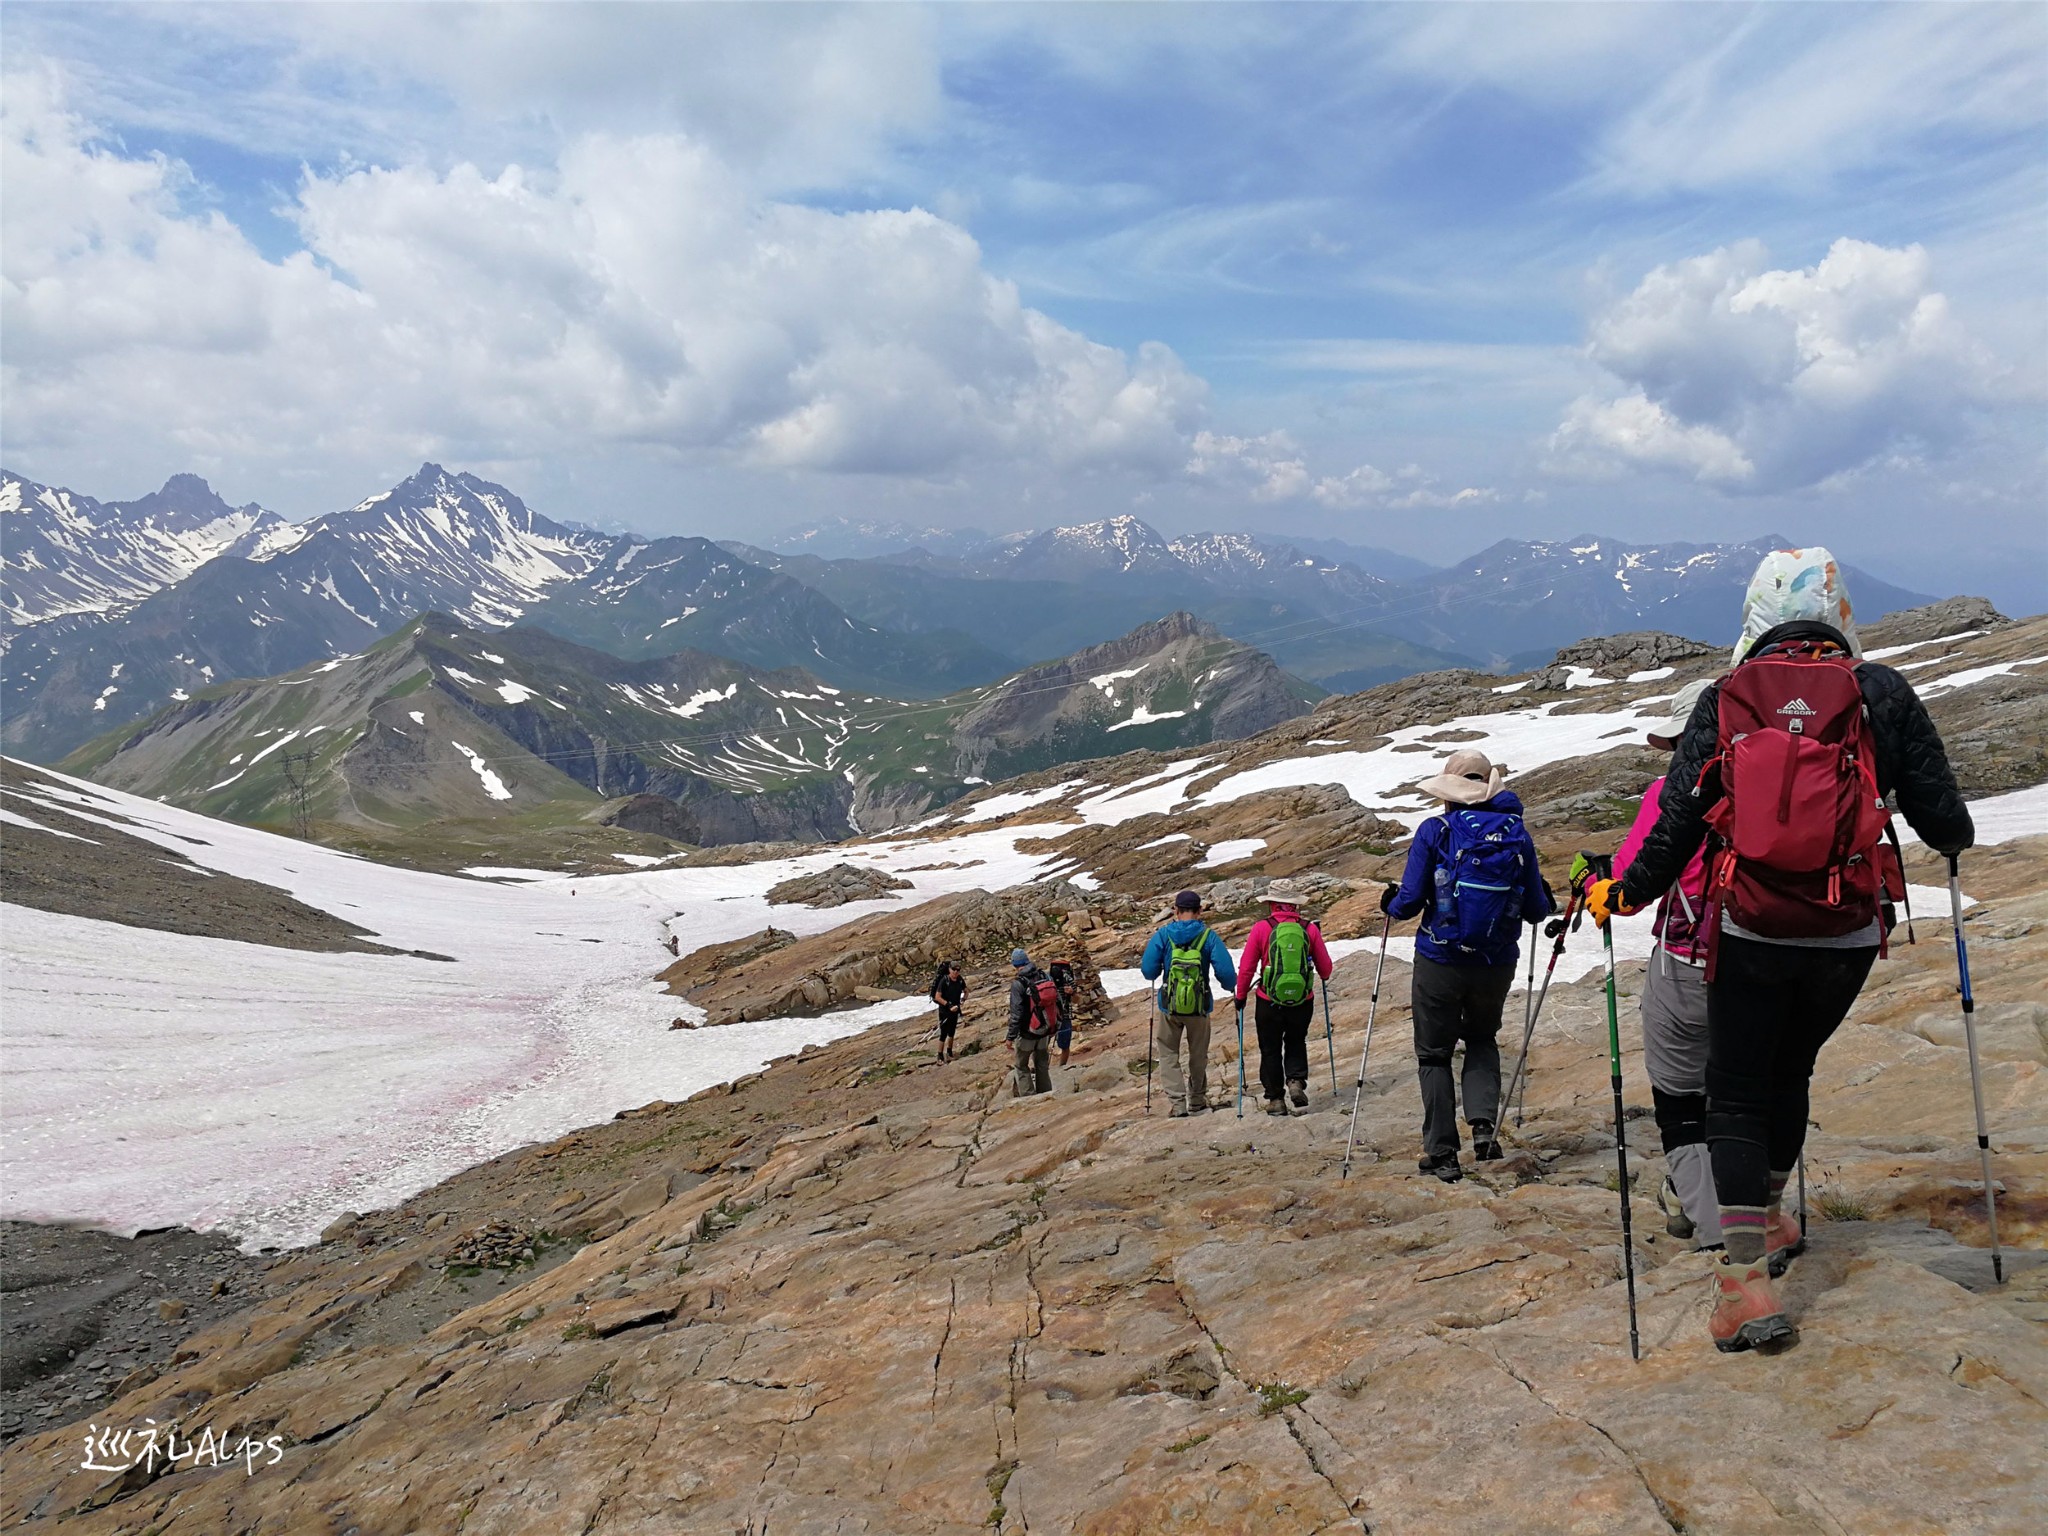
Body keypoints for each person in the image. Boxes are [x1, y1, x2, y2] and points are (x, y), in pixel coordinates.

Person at [1587, 548, 1972, 1353]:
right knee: (1790, 1072)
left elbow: (1677, 826)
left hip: (1751, 924)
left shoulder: (1726, 698)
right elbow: (1949, 826)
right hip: (1848, 933)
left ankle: (1743, 1285)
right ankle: (1768, 1213)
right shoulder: (1881, 692)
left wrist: (1620, 894)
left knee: (1733, 1091)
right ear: (1839, 614)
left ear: (1755, 617)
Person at [1383, 749, 1553, 1182]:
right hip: (1495, 963)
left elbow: (1408, 903)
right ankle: (1484, 1133)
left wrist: (1390, 902)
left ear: (1449, 792)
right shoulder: (1517, 834)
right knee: (1481, 1038)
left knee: (1434, 1054)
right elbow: (1536, 908)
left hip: (1441, 958)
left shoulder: (1435, 831)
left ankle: (1441, 1154)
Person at [1607, 679, 1723, 1251]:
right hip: (1780, 956)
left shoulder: (1669, 793)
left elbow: (1631, 880)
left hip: (1690, 955)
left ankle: (1715, 1229)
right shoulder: (1779, 783)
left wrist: (1598, 879)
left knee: (1680, 1095)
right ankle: (1759, 1210)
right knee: (1750, 1089)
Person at [1233, 878, 1334, 1115]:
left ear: (1272, 904)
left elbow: (1246, 966)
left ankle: (1275, 1099)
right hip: (1302, 1000)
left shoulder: (1262, 928)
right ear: (1295, 905)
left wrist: (1240, 996)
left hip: (1268, 1000)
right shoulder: (1309, 929)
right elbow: (1326, 970)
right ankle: (1296, 1082)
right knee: (1296, 1041)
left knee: (1270, 1048)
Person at [1138, 890, 1237, 1118]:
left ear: (1176, 910)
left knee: (1168, 1053)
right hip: (1199, 1006)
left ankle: (1178, 1104)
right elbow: (1226, 972)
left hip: (1169, 1005)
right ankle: (1197, 1100)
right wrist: (1231, 987)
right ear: (1200, 911)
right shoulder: (1208, 936)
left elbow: (1148, 970)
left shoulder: (1164, 935)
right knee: (1198, 1054)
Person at [1006, 949, 1056, 1097]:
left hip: (1027, 1032)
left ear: (1015, 964)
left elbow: (1016, 1014)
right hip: (1044, 1029)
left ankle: (1028, 1097)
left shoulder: (1018, 983)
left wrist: (1010, 1037)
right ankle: (1046, 1093)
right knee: (1041, 1063)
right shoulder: (1043, 975)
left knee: (1021, 1065)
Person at [930, 960, 966, 1063]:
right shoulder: (944, 980)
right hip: (944, 1011)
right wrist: (948, 1005)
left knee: (952, 1032)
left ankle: (949, 1053)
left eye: (958, 970)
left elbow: (966, 991)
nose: (955, 972)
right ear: (949, 969)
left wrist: (963, 1000)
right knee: (943, 1033)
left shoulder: (959, 980)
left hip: (955, 1010)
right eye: (953, 969)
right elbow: (937, 997)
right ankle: (940, 1056)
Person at [1049, 959, 1078, 1066]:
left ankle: (1061, 1067)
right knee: (1042, 1044)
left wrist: (1072, 992)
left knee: (1065, 1045)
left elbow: (1076, 1000)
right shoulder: (1049, 981)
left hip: (1061, 1015)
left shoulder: (1068, 982)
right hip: (1053, 1015)